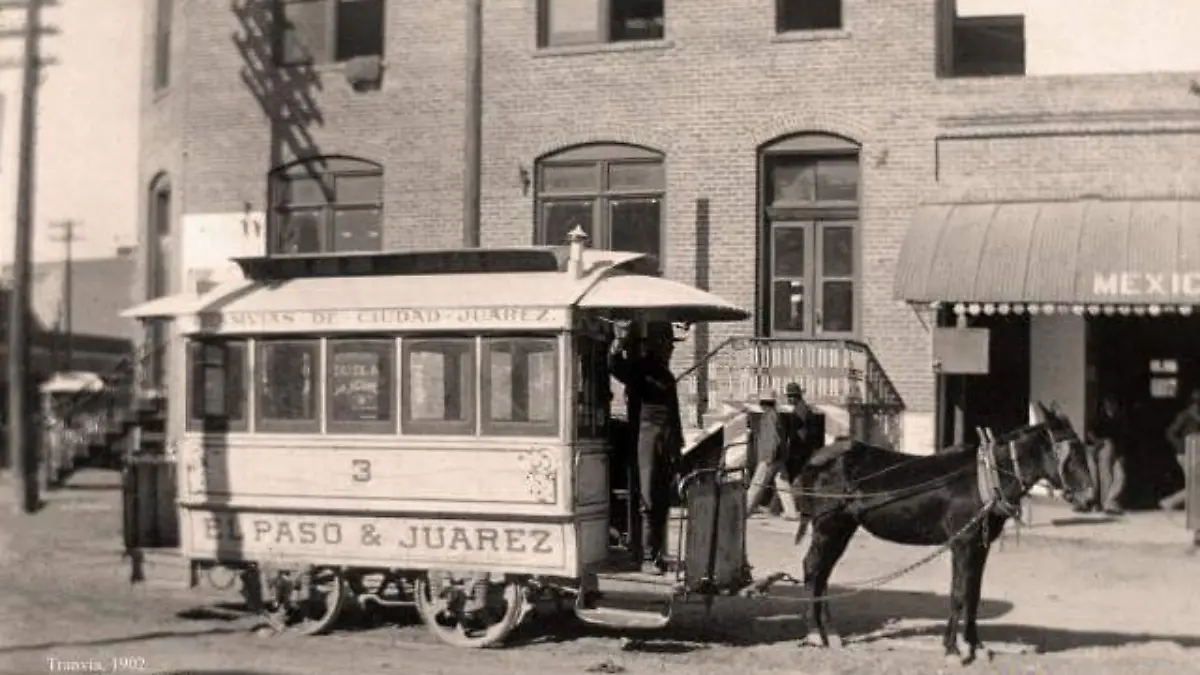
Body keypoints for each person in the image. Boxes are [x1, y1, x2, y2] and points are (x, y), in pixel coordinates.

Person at [608, 320, 684, 575]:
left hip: (665, 441)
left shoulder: (666, 375)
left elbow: (674, 416)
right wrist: (618, 342)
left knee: (662, 499)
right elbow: (615, 366)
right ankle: (647, 557)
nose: (671, 350)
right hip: (646, 438)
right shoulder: (640, 369)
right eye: (667, 344)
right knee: (648, 498)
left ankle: (659, 553)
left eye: (671, 345)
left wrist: (678, 448)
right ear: (654, 344)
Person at [1085, 395, 1127, 515]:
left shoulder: (1119, 419)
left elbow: (1122, 437)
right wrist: (1098, 442)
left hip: (1116, 449)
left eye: (1113, 404)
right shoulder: (1100, 419)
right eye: (1108, 403)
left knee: (1120, 476)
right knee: (1105, 476)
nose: (1111, 406)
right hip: (1105, 446)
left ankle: (1109, 500)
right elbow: (1090, 432)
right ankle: (1105, 504)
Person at [1161, 389, 1200, 512]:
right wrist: (1181, 447)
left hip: (1197, 452)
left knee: (1196, 483)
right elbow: (1170, 433)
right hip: (1186, 453)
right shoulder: (1185, 416)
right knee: (1196, 484)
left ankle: (1172, 502)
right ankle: (1170, 502)